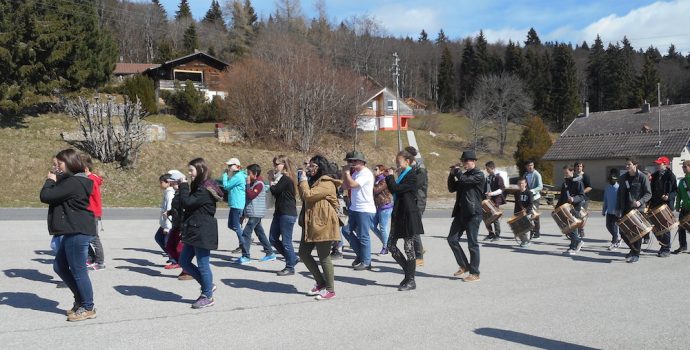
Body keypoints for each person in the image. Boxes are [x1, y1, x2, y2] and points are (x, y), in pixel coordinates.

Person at [40, 148, 98, 321]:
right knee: (60, 266)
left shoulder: (74, 182)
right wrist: (56, 175)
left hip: (78, 229)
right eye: (55, 164)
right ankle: (80, 300)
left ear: (70, 163)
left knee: (79, 270)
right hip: (72, 229)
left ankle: (88, 307)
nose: (56, 167)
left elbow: (46, 196)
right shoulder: (72, 180)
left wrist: (49, 180)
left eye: (59, 164)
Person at [178, 158, 224, 308]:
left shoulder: (204, 189)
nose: (189, 173)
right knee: (184, 261)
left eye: (191, 170)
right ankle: (208, 285)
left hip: (203, 231)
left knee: (203, 264)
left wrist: (183, 185)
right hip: (194, 229)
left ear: (200, 170)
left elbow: (188, 203)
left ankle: (207, 296)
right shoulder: (199, 186)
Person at [297, 155, 343, 300]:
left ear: (320, 167)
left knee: (324, 257)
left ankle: (330, 290)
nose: (309, 168)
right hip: (311, 223)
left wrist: (303, 180)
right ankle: (320, 282)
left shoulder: (326, 182)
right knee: (303, 253)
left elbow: (309, 196)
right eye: (308, 165)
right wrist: (303, 180)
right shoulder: (313, 181)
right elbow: (303, 196)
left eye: (312, 166)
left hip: (324, 224)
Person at [385, 150, 424, 291]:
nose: (396, 164)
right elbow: (393, 190)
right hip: (398, 214)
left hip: (408, 215)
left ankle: (411, 280)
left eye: (399, 161)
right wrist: (390, 177)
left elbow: (396, 188)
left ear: (407, 161)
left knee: (408, 247)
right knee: (391, 245)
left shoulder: (411, 175)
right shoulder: (401, 174)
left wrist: (389, 177)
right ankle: (408, 274)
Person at [447, 150, 485, 282]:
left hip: (473, 213)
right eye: (463, 161)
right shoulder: (464, 175)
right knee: (452, 239)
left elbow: (464, 180)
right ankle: (464, 265)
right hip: (461, 213)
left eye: (466, 161)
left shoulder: (479, 175)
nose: (464, 163)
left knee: (472, 244)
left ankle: (475, 273)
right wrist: (452, 175)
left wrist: (457, 172)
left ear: (473, 161)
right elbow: (452, 188)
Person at [341, 151, 376, 271]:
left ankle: (366, 261)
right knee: (346, 230)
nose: (351, 163)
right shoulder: (355, 173)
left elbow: (353, 184)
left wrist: (346, 172)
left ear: (362, 162)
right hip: (354, 207)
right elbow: (346, 186)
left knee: (363, 235)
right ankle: (361, 256)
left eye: (354, 161)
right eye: (349, 161)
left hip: (365, 209)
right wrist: (344, 173)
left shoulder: (366, 174)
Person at [617, 157, 652, 263]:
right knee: (623, 232)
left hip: (637, 209)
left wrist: (640, 202)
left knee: (637, 233)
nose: (627, 166)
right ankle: (633, 249)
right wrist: (618, 209)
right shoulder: (623, 178)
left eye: (629, 164)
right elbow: (620, 194)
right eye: (626, 164)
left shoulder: (642, 177)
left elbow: (648, 193)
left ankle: (636, 254)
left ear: (635, 165)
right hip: (625, 209)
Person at [240, 164, 276, 264]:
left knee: (246, 233)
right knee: (260, 233)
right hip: (253, 212)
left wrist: (247, 184)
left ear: (255, 174)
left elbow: (251, 195)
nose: (247, 176)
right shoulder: (253, 182)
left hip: (256, 213)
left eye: (249, 173)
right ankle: (270, 253)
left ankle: (246, 256)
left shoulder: (259, 184)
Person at [269, 155, 299, 276]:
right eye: (274, 164)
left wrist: (270, 180)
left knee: (286, 241)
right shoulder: (281, 178)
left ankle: (290, 266)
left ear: (284, 165)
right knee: (273, 238)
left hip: (287, 213)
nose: (275, 166)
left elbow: (275, 190)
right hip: (279, 212)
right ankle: (292, 258)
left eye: (277, 164)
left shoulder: (286, 179)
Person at [164, 170, 193, 280]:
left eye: (173, 182)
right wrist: (170, 212)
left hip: (182, 225)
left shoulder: (184, 193)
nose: (171, 184)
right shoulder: (177, 193)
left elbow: (185, 210)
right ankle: (182, 264)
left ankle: (187, 271)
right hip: (176, 224)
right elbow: (177, 208)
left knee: (180, 248)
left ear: (179, 182)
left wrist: (183, 227)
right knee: (170, 246)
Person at [649, 156, 677, 257]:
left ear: (665, 164)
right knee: (656, 228)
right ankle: (663, 245)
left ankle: (666, 249)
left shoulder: (671, 175)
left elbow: (675, 191)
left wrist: (668, 196)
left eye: (659, 164)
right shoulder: (655, 175)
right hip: (655, 204)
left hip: (666, 205)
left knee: (665, 228)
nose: (657, 165)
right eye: (656, 164)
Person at [81, 154, 105, 271]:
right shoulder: (91, 178)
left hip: (92, 212)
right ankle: (90, 257)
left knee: (94, 238)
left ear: (85, 169)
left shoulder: (90, 180)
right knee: (86, 237)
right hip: (88, 212)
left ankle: (100, 262)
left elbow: (87, 195)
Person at [405, 146, 428, 267]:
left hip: (418, 202)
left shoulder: (421, 170)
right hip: (412, 201)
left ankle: (419, 256)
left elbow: (414, 185)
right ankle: (420, 248)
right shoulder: (411, 169)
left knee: (414, 229)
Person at [556, 165, 585, 255]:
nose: (565, 174)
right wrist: (556, 207)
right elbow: (562, 197)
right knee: (569, 228)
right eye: (564, 173)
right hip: (566, 208)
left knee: (572, 227)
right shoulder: (565, 183)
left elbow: (582, 196)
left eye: (567, 173)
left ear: (572, 171)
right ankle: (573, 245)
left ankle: (576, 244)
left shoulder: (578, 182)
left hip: (574, 208)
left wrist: (574, 199)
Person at [221, 157, 247, 255]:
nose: (228, 167)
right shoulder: (236, 175)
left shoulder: (238, 176)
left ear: (237, 166)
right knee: (231, 225)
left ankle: (243, 244)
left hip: (238, 204)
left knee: (235, 225)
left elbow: (226, 186)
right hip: (234, 204)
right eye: (228, 166)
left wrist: (225, 175)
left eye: (230, 165)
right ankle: (244, 236)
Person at [155, 173, 176, 266]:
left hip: (169, 224)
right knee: (159, 237)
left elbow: (169, 210)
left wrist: (167, 227)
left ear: (168, 183)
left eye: (161, 182)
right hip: (164, 222)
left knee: (168, 242)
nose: (160, 184)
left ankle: (175, 260)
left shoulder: (170, 194)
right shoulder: (167, 192)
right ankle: (172, 256)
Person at [372, 164, 393, 255]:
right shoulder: (376, 180)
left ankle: (385, 247)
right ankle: (387, 243)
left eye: (376, 169)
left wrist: (368, 184)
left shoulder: (384, 179)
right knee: (371, 225)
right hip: (378, 206)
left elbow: (376, 190)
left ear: (381, 171)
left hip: (385, 206)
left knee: (383, 228)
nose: (374, 171)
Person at [483, 161, 505, 242]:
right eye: (486, 169)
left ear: (493, 168)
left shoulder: (498, 177)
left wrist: (492, 193)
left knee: (495, 217)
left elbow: (501, 189)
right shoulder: (488, 177)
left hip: (496, 200)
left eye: (488, 169)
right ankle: (491, 234)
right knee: (485, 217)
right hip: (488, 200)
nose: (487, 170)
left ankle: (497, 235)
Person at [673, 160, 690, 254]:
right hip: (684, 208)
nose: (683, 168)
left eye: (685, 167)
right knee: (681, 228)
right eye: (683, 167)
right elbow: (679, 195)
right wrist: (677, 205)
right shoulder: (682, 181)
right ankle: (683, 246)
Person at [602, 172, 621, 251]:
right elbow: (605, 200)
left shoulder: (619, 188)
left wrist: (620, 210)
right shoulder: (607, 188)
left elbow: (621, 201)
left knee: (614, 226)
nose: (611, 181)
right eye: (610, 180)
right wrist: (604, 210)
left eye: (613, 180)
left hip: (616, 212)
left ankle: (614, 242)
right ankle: (617, 238)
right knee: (608, 226)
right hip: (609, 211)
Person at [524, 160, 543, 240]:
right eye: (529, 165)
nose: (530, 167)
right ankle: (530, 231)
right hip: (528, 197)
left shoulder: (537, 174)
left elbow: (540, 186)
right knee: (528, 214)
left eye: (531, 165)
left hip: (535, 197)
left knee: (534, 214)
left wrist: (531, 191)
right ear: (526, 166)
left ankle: (537, 232)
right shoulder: (525, 174)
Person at [573, 161, 592, 238]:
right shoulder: (573, 176)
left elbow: (589, 187)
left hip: (584, 199)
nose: (579, 167)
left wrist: (582, 192)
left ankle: (581, 229)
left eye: (580, 166)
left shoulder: (585, 176)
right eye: (577, 166)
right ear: (575, 167)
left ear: (582, 167)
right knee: (576, 215)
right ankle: (576, 230)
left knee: (582, 215)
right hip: (575, 199)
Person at [513, 177, 533, 248]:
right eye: (519, 183)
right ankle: (524, 240)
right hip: (518, 213)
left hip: (526, 213)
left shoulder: (529, 193)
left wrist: (526, 211)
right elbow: (516, 204)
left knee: (523, 229)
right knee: (518, 229)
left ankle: (526, 241)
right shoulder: (516, 193)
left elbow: (531, 204)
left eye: (522, 183)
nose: (520, 185)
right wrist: (515, 213)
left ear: (525, 184)